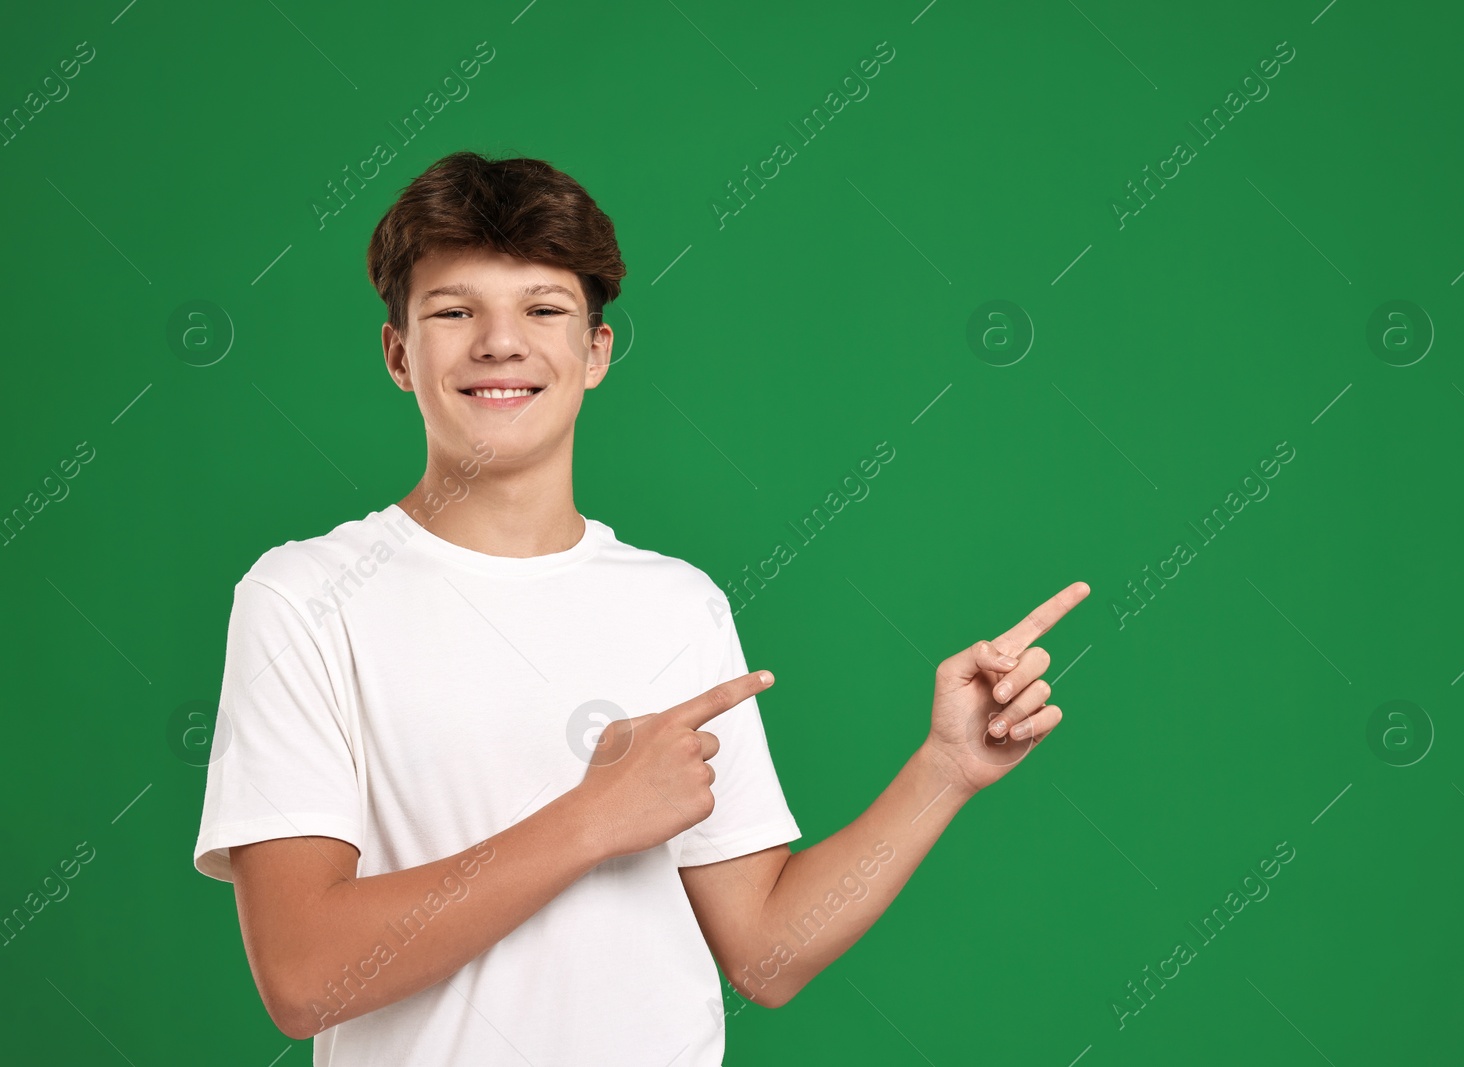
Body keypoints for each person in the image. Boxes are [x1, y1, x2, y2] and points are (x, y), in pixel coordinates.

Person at [192, 149, 1089, 1065]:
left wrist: (944, 769)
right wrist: (592, 818)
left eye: (543, 310)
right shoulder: (303, 597)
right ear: (397, 354)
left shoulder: (676, 603)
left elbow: (767, 953)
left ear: (596, 351)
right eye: (455, 311)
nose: (500, 342)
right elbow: (305, 977)